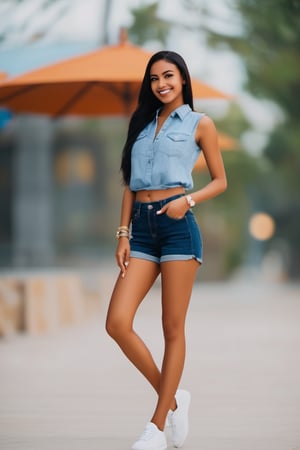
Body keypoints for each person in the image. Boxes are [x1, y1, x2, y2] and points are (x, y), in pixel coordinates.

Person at [106, 50, 227, 450]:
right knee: (117, 323)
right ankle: (175, 400)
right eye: (155, 78)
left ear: (183, 79)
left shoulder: (199, 123)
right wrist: (123, 233)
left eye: (169, 76)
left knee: (172, 329)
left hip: (178, 228)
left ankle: (156, 427)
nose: (162, 84)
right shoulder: (140, 124)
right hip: (141, 230)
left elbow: (219, 180)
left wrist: (187, 201)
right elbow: (130, 183)